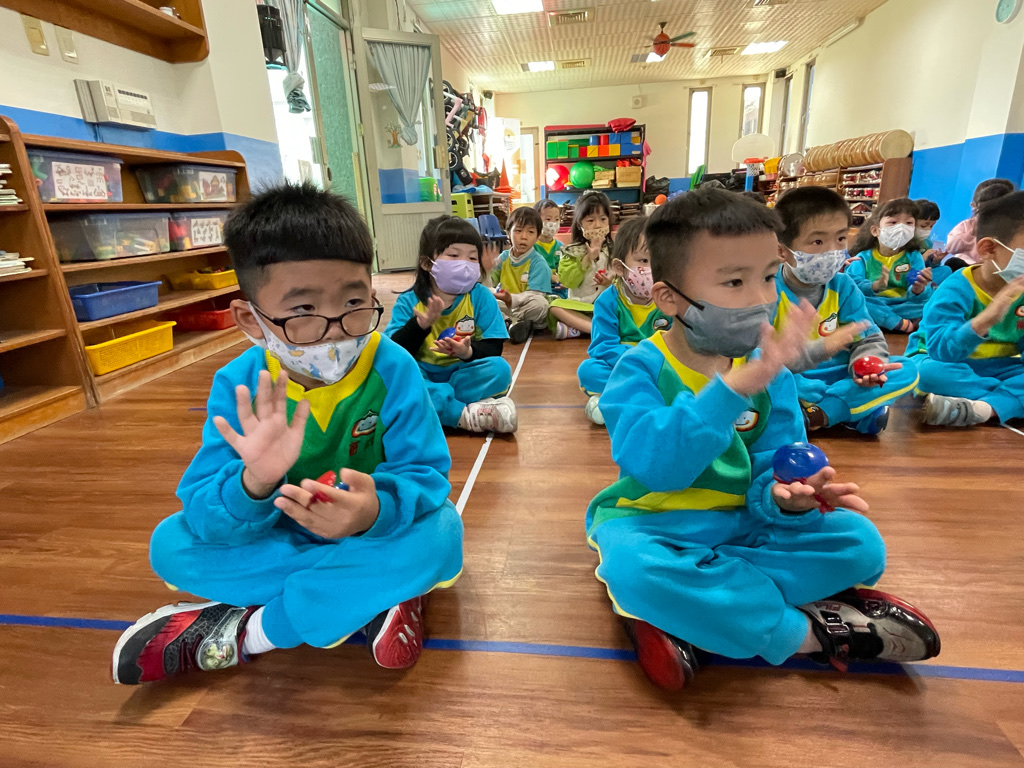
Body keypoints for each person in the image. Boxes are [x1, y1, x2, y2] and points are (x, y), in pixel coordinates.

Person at [586, 188, 939, 692]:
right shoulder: (638, 370)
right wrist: (732, 390)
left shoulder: (771, 373)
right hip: (656, 526)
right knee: (634, 568)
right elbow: (658, 468)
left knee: (859, 544)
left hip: (745, 524)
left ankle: (708, 610)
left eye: (770, 277)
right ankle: (808, 633)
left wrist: (790, 500)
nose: (761, 299)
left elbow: (776, 463)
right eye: (734, 281)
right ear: (669, 298)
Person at [111, 183, 464, 684]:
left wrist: (372, 511)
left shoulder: (393, 366)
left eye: (354, 301)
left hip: (372, 530)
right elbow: (206, 513)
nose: (336, 329)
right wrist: (253, 482)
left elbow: (425, 476)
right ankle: (374, 592)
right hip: (280, 534)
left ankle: (251, 633)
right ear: (250, 319)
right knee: (170, 544)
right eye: (302, 311)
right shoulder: (239, 385)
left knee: (443, 533)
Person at [774, 187, 919, 435]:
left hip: (838, 373)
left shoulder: (843, 286)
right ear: (782, 251)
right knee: (766, 381)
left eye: (841, 239)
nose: (833, 251)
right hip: (790, 375)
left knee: (907, 369)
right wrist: (800, 377)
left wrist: (868, 365)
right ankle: (850, 410)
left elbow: (869, 338)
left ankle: (819, 414)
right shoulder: (767, 289)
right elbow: (757, 356)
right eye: (818, 242)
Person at [386, 216, 516, 435]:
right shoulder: (409, 301)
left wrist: (468, 352)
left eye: (472, 257)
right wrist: (420, 325)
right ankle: (462, 415)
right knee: (399, 379)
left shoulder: (481, 297)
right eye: (454, 255)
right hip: (423, 373)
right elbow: (395, 353)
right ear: (428, 263)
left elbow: (494, 346)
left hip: (462, 373)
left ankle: (435, 406)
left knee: (500, 370)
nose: (464, 263)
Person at [910, 191, 1024, 427]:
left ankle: (982, 409)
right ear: (989, 248)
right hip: (946, 362)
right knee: (928, 374)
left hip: (1001, 366)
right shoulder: (956, 288)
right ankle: (1004, 402)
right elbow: (942, 352)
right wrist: (986, 319)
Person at [577, 216, 670, 426]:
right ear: (619, 267)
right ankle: (645, 399)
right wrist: (637, 358)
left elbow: (678, 341)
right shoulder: (607, 302)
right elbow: (603, 347)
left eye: (658, 261)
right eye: (643, 261)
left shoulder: (669, 299)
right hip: (623, 365)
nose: (652, 268)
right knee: (589, 371)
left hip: (659, 365)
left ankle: (618, 401)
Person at [846, 199, 933, 333]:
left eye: (909, 223)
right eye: (893, 222)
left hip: (903, 304)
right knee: (855, 302)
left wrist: (918, 289)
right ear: (875, 231)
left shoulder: (914, 256)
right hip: (875, 302)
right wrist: (874, 286)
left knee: (932, 303)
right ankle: (898, 323)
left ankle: (888, 322)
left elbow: (917, 289)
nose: (901, 228)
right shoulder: (863, 257)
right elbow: (852, 284)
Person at [549, 190, 614, 339]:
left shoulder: (616, 250)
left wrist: (610, 282)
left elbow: (625, 281)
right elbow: (567, 281)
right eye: (590, 220)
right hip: (580, 306)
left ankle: (578, 329)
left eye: (603, 219)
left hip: (607, 306)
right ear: (580, 224)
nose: (597, 225)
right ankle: (597, 330)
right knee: (555, 306)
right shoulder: (571, 251)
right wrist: (587, 258)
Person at [493, 206, 553, 344]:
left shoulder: (538, 262)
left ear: (537, 236)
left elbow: (535, 294)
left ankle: (507, 322)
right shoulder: (503, 258)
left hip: (524, 306)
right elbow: (489, 282)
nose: (524, 237)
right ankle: (514, 322)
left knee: (541, 305)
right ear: (508, 233)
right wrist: (485, 269)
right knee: (482, 300)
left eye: (530, 232)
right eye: (518, 231)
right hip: (504, 304)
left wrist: (512, 299)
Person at [946, 179, 1016, 265]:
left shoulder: (1011, 229)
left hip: (992, 268)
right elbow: (951, 247)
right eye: (985, 208)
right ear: (974, 206)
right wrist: (972, 233)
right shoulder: (967, 225)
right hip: (964, 266)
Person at [913, 199, 958, 285]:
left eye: (931, 226)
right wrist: (922, 259)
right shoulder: (904, 241)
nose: (928, 229)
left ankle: (927, 285)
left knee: (946, 270)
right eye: (923, 226)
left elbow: (928, 266)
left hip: (922, 272)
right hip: (907, 273)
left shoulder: (926, 241)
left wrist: (934, 261)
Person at [533, 198, 567, 297]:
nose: (553, 223)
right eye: (548, 219)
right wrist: (550, 277)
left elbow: (565, 269)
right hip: (538, 289)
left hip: (558, 290)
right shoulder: (531, 247)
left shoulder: (561, 247)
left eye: (557, 219)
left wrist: (565, 281)